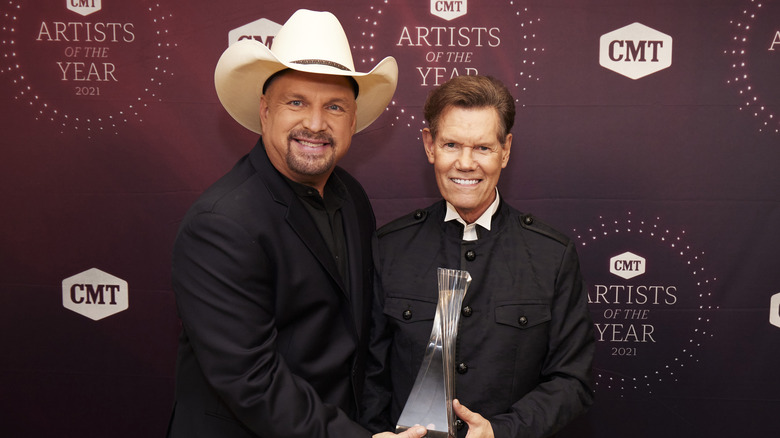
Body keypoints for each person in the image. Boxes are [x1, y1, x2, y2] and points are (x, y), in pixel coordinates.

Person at [167, 9, 426, 438]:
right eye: (296, 102)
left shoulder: (352, 197)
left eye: (335, 106)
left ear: (354, 121)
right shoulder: (220, 225)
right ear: (265, 111)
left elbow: (363, 339)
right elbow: (253, 382)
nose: (315, 123)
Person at [360, 75, 595, 438]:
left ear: (506, 150)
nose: (466, 164)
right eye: (451, 144)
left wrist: (501, 431)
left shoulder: (552, 256)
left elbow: (572, 380)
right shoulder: (389, 247)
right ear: (429, 145)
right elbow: (370, 374)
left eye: (483, 148)